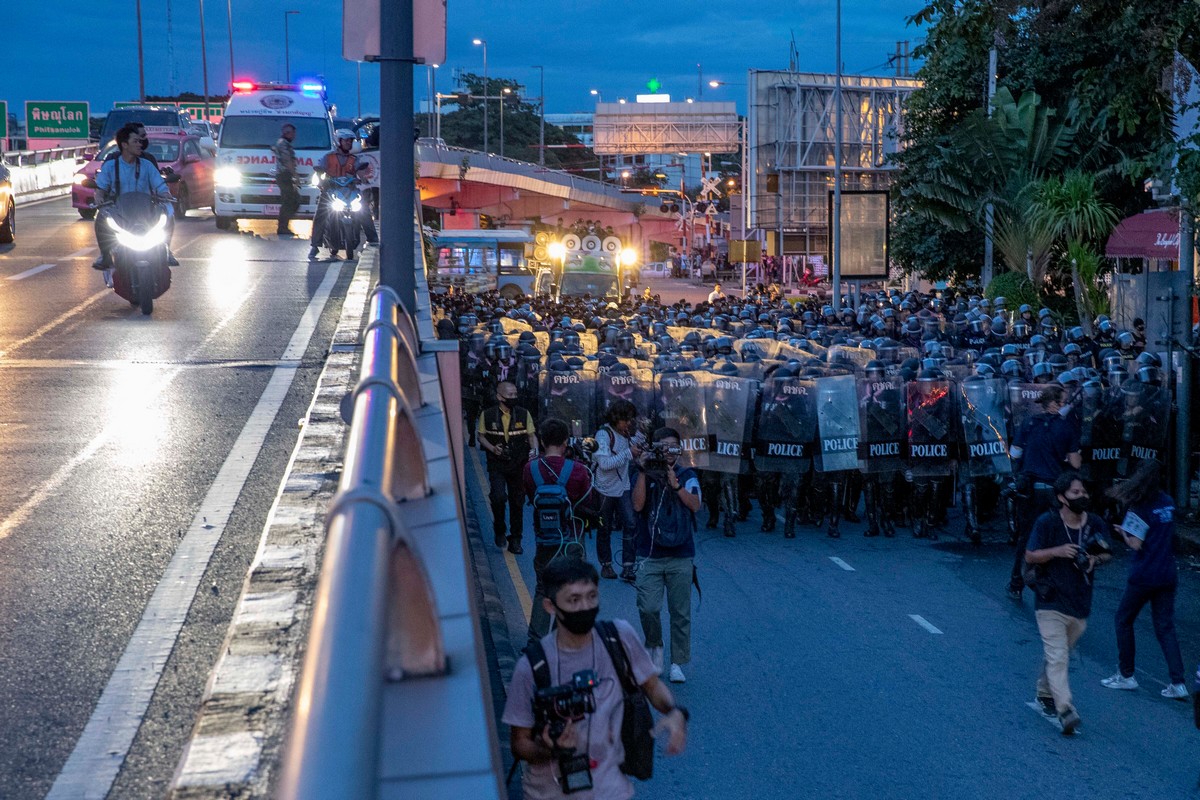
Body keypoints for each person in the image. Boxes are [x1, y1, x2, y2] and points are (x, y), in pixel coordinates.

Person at [502, 557, 689, 800]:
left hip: (610, 790)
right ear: (550, 606)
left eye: (592, 596)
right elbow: (519, 743)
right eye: (573, 600)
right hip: (550, 794)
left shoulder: (618, 638)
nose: (585, 607)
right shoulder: (532, 666)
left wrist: (674, 712)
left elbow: (652, 686)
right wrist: (552, 748)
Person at [1024, 470, 1112, 735]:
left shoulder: (1094, 523)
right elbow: (1030, 555)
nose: (1082, 496)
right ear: (1062, 497)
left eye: (1083, 492)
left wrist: (1095, 560)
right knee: (1058, 655)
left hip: (1080, 603)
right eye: (1076, 492)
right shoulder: (1047, 524)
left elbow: (1109, 553)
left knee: (1058, 654)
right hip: (1050, 601)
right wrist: (1057, 552)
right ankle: (1065, 710)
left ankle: (1044, 690)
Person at [1101, 460, 1189, 699]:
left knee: (1123, 620)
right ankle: (1178, 682)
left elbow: (1136, 543)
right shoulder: (1168, 504)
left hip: (1144, 574)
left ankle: (1126, 674)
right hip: (1167, 573)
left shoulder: (1138, 508)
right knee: (1165, 627)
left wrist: (1123, 533)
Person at [632, 427, 702, 683]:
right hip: (648, 553)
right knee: (648, 608)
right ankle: (655, 646)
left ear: (680, 450)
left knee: (680, 612)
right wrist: (642, 470)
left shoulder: (688, 475)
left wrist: (676, 486)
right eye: (663, 446)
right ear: (655, 448)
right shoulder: (645, 472)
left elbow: (696, 505)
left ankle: (677, 663)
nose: (668, 451)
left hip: (681, 554)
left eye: (673, 446)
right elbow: (637, 505)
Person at [522, 418, 598, 643]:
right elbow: (589, 502)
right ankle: (559, 639)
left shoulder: (530, 468)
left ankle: (535, 641)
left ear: (542, 441)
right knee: (569, 590)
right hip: (572, 539)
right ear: (566, 441)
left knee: (542, 589)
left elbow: (530, 496)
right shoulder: (578, 470)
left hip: (544, 538)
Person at [1007, 384, 1082, 599]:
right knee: (1057, 537)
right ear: (1055, 404)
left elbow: (1014, 453)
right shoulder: (1067, 428)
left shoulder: (1028, 423)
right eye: (1064, 401)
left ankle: (1016, 583)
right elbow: (1075, 463)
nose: (1066, 405)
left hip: (1030, 491)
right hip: (1054, 492)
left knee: (1026, 537)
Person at [91, 123, 174, 285]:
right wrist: (99, 198)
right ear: (124, 145)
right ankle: (106, 255)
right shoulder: (110, 166)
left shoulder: (147, 165)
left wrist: (165, 195)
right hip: (119, 211)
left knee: (168, 212)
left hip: (145, 211)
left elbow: (160, 186)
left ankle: (167, 249)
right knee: (101, 216)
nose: (140, 144)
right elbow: (100, 188)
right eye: (135, 141)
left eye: (140, 141)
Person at [478, 381, 538, 554]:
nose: (513, 398)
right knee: (498, 497)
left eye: (515, 395)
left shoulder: (523, 414)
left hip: (519, 463)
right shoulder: (487, 415)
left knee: (517, 501)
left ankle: (516, 539)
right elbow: (481, 436)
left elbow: (531, 435)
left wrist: (533, 454)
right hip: (497, 464)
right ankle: (499, 530)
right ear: (499, 397)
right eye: (509, 395)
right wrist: (492, 449)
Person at [309, 128, 376, 260]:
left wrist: (362, 177)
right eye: (346, 140)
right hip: (330, 191)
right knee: (321, 215)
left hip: (350, 191)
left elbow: (360, 171)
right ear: (338, 141)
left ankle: (373, 239)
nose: (348, 143)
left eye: (350, 141)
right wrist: (321, 180)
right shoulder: (328, 157)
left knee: (364, 210)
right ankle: (315, 246)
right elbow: (319, 171)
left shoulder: (354, 159)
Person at [592, 400, 641, 583]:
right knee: (604, 528)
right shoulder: (603, 435)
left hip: (623, 487)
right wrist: (629, 453)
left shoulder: (626, 434)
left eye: (631, 419)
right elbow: (604, 464)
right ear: (615, 418)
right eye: (625, 419)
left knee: (630, 524)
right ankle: (606, 564)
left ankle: (628, 566)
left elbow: (634, 444)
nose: (629, 423)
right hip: (604, 488)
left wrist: (642, 434)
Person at [272, 123, 300, 237]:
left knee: (292, 200)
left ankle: (284, 225)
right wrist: (295, 175)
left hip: (284, 175)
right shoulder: (283, 144)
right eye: (292, 133)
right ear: (288, 133)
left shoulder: (283, 143)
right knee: (290, 201)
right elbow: (287, 160)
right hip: (284, 175)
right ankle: (282, 227)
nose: (294, 135)